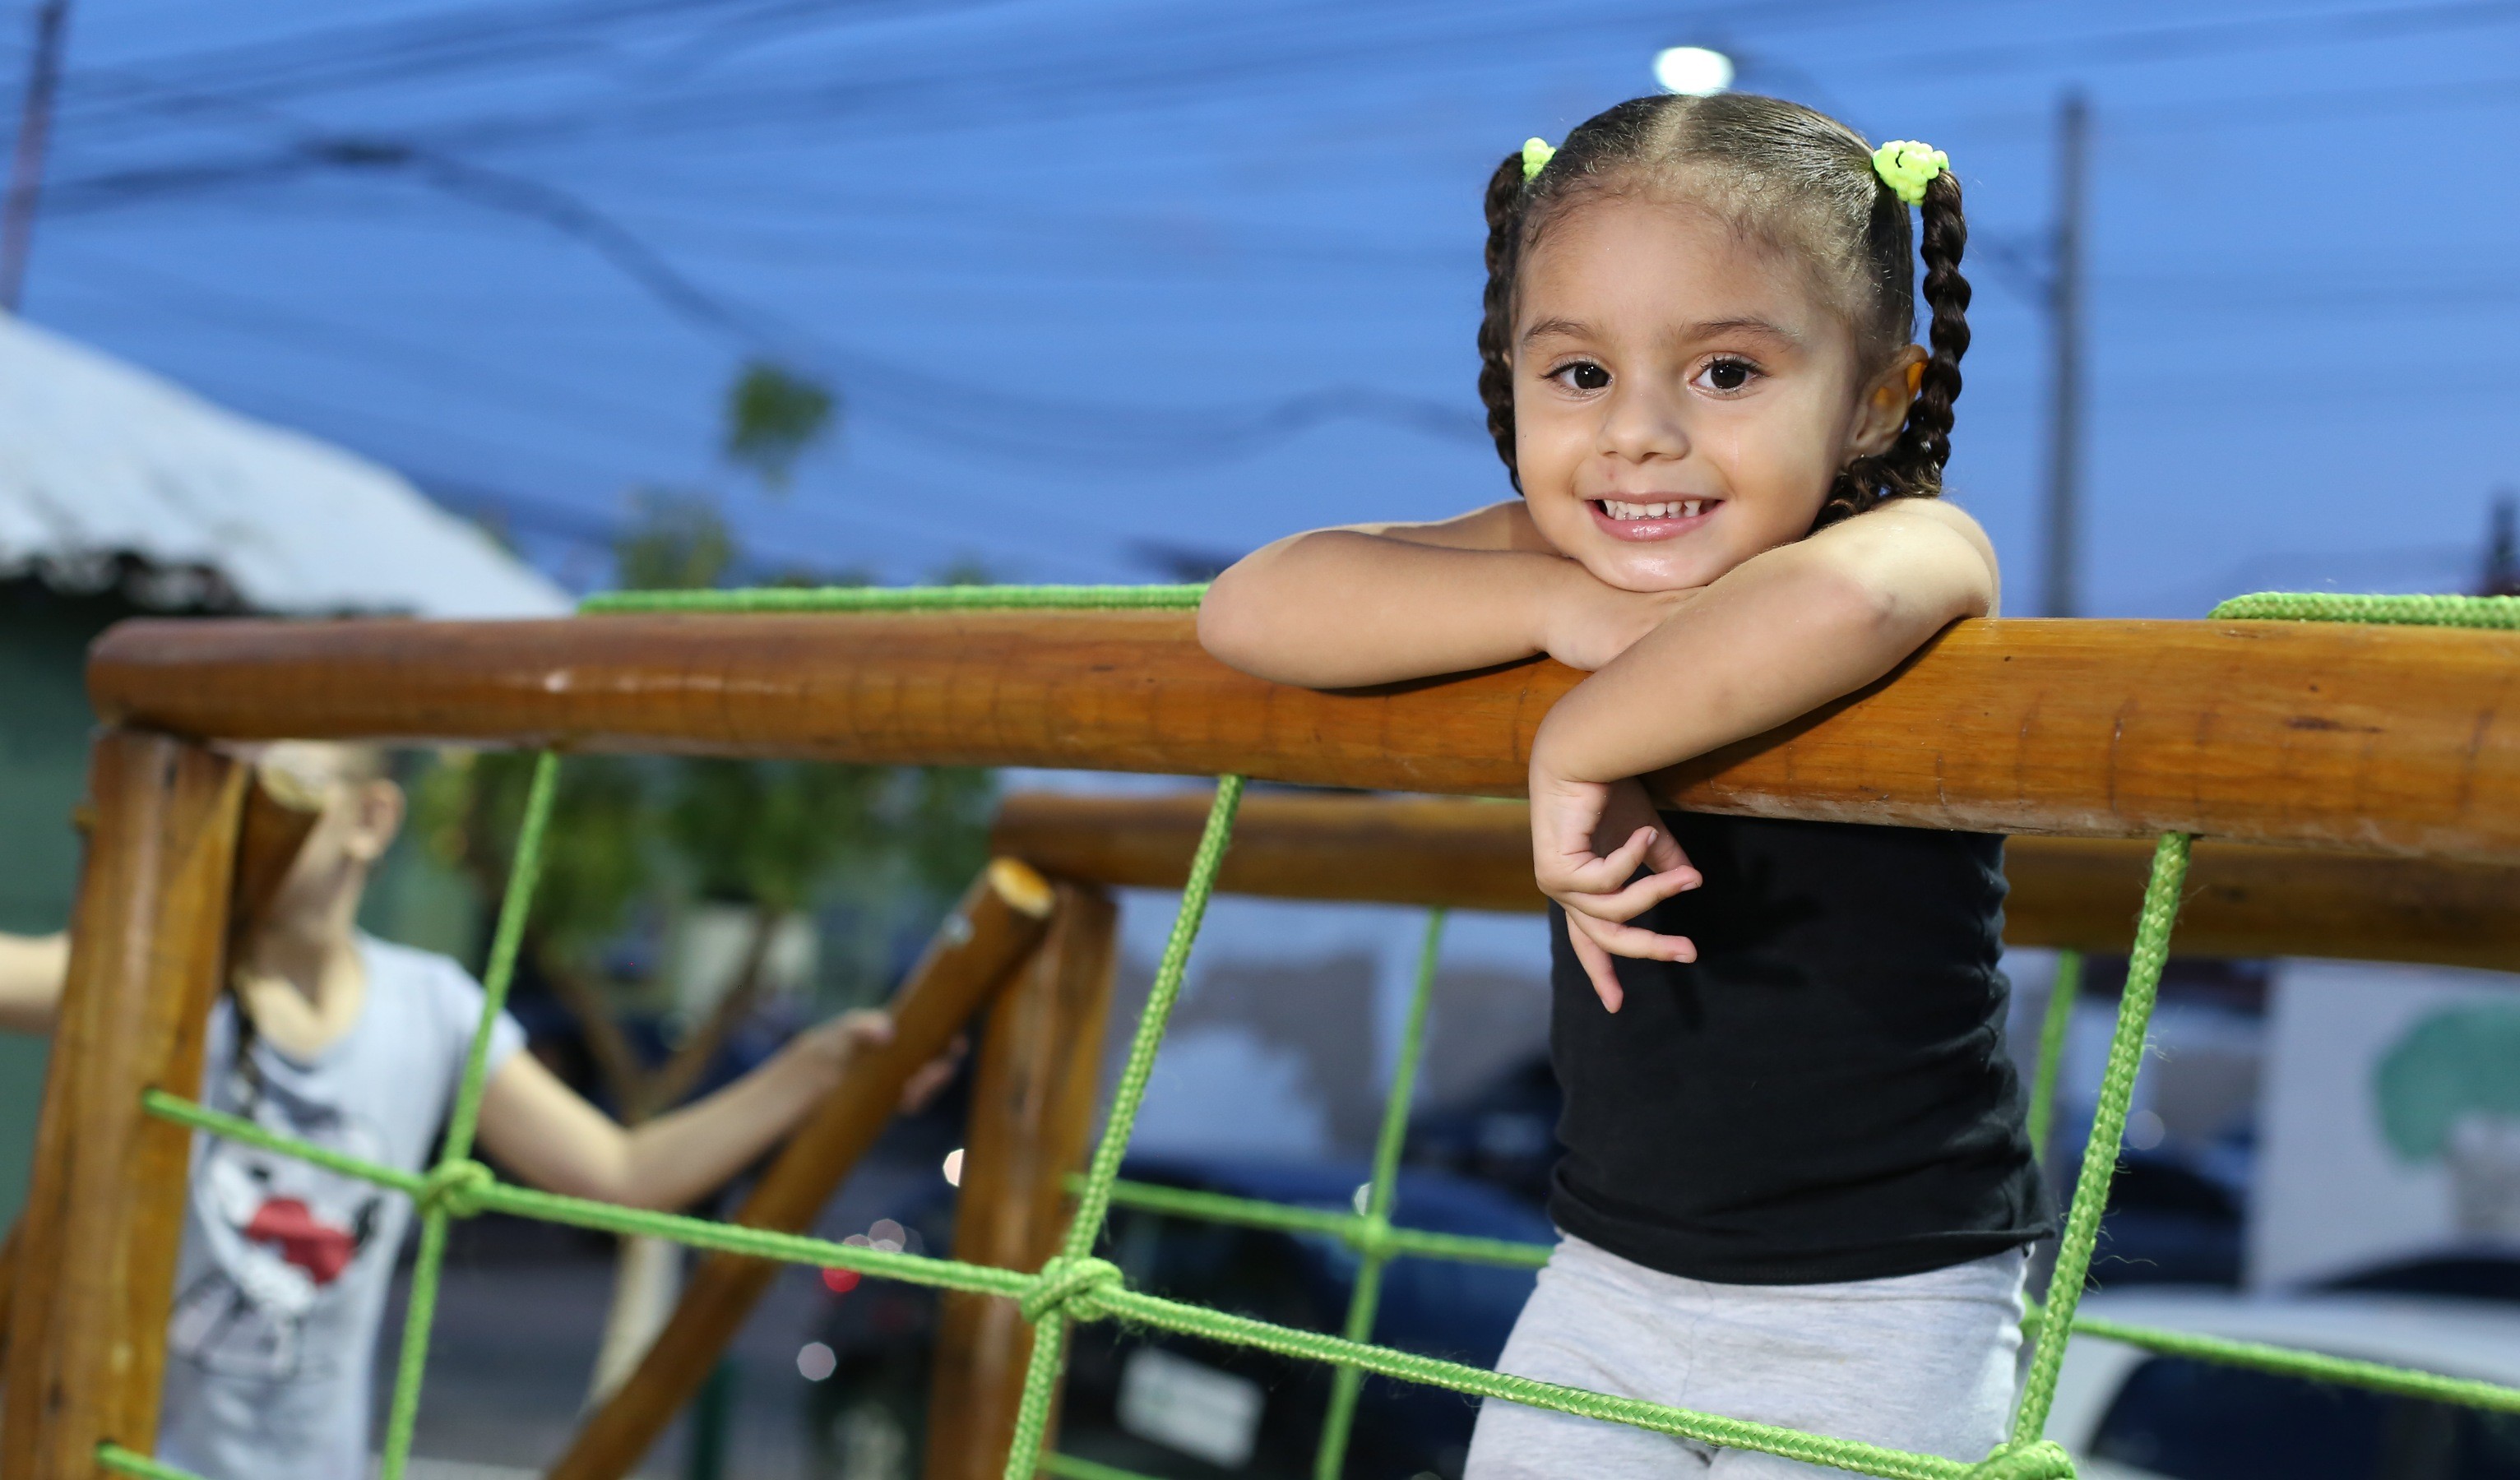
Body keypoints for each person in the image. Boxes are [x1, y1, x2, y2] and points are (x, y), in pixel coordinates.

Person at [1198, 94, 2047, 1478]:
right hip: (1605, 1277)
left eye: (1723, 374)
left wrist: (1575, 741)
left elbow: (1832, 608)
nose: (1636, 436)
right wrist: (1547, 604)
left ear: (1872, 399)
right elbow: (1250, 604)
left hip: (1884, 1301)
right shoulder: (1567, 558)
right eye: (1578, 375)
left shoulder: (1912, 547)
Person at [0, 740, 938, 1480]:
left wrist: (813, 1069)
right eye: (228, 791)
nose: (248, 819)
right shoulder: (165, 977)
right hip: (122, 1456)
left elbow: (621, 1173)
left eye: (282, 789)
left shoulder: (430, 1006)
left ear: (371, 817)